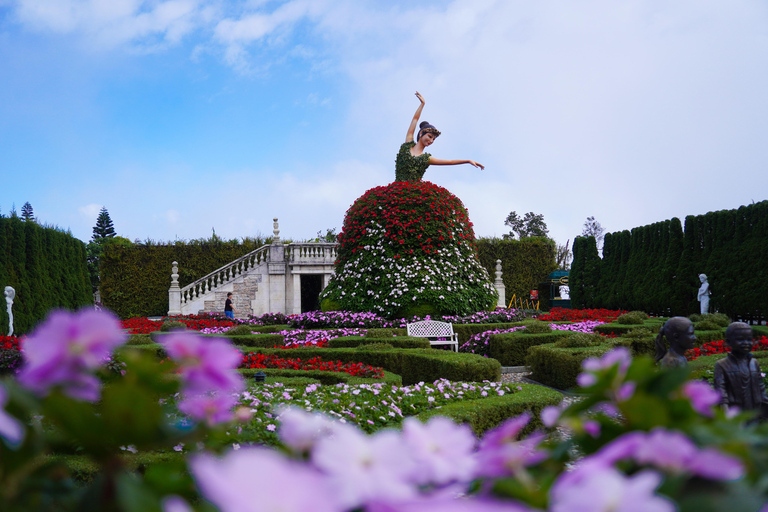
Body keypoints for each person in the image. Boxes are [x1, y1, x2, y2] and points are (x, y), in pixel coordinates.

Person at [394, 91, 485, 182]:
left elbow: (450, 162)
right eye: (430, 136)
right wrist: (422, 104)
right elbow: (415, 120)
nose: (431, 141)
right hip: (397, 190)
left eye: (434, 139)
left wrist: (467, 161)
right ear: (421, 134)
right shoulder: (408, 144)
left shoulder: (426, 159)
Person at [714, 322, 768, 421]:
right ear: (728, 342)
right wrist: (725, 415)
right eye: (740, 339)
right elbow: (721, 393)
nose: (746, 343)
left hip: (754, 413)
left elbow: (761, 388)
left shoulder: (754, 363)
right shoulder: (722, 365)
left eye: (749, 339)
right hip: (735, 415)